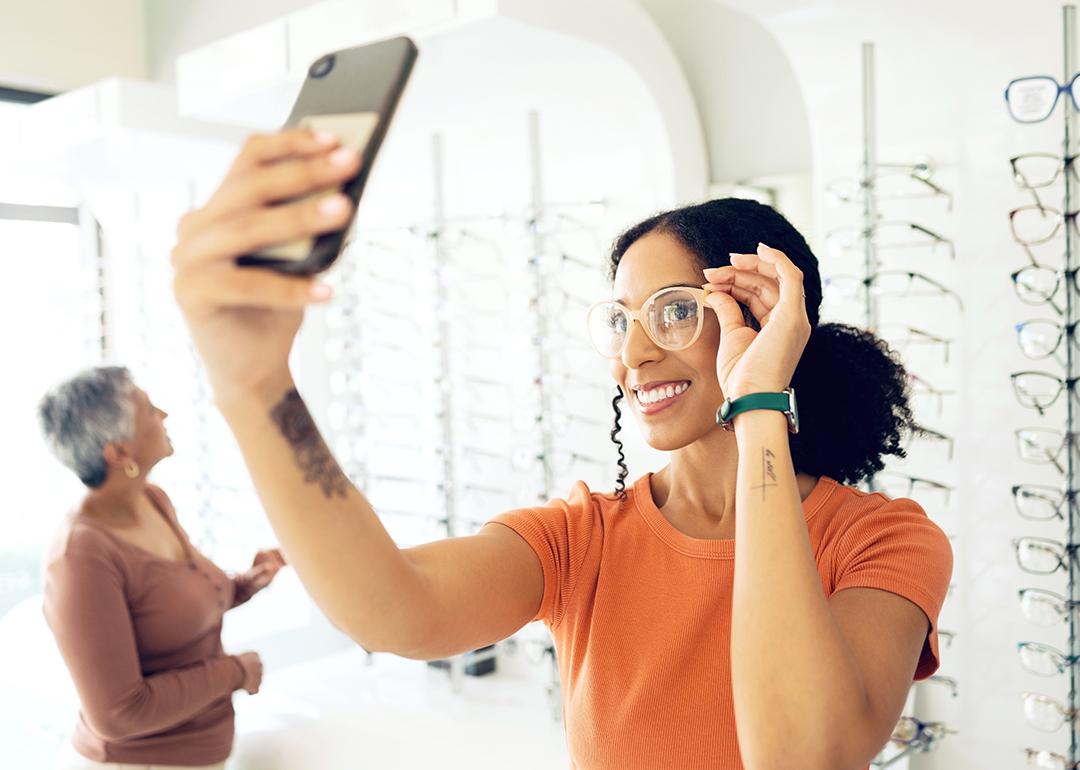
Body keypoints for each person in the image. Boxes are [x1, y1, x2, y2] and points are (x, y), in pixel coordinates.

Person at [170, 129, 953, 770]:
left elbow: (800, 757)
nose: (634, 354)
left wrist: (757, 405)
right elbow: (391, 610)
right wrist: (257, 386)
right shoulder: (585, 538)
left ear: (768, 320)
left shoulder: (884, 542)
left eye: (674, 312)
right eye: (621, 320)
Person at [38, 366, 286, 770]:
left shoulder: (153, 500)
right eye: (150, 411)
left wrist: (244, 586)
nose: (165, 415)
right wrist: (235, 672)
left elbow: (167, 609)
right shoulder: (79, 557)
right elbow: (119, 714)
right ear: (119, 453)